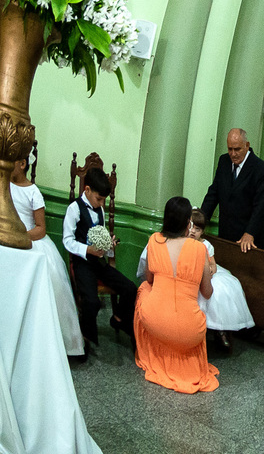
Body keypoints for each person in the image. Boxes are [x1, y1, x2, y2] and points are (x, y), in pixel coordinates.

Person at [134, 197, 219, 393]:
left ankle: (150, 353)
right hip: (191, 332)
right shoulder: (200, 249)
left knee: (143, 290)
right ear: (188, 222)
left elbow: (149, 279)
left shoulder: (154, 241)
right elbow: (207, 293)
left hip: (155, 323)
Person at [10, 156, 85, 357]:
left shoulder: (33, 192)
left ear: (22, 164)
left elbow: (41, 229)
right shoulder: (4, 186)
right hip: (7, 237)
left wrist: (19, 236)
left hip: (30, 239)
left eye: (12, 161)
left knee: (51, 282)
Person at [63, 167, 137, 346]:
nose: (102, 204)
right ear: (87, 190)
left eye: (104, 200)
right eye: (99, 199)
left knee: (131, 289)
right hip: (82, 262)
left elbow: (100, 236)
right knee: (91, 301)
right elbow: (67, 241)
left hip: (99, 262)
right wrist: (88, 250)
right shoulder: (74, 209)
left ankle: (118, 318)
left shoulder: (100, 210)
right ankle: (85, 337)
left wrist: (108, 244)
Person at [199, 128, 264, 253]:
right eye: (230, 149)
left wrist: (250, 233)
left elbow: (260, 206)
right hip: (227, 235)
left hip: (251, 240)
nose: (233, 154)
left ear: (247, 145)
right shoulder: (224, 161)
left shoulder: (261, 169)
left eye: (237, 149)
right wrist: (199, 223)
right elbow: (213, 194)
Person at [188, 209, 254, 347]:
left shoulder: (205, 245)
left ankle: (220, 329)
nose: (193, 232)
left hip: (206, 273)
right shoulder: (185, 242)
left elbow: (212, 262)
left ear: (202, 232)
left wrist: (211, 269)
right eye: (191, 227)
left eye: (197, 229)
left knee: (220, 291)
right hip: (190, 272)